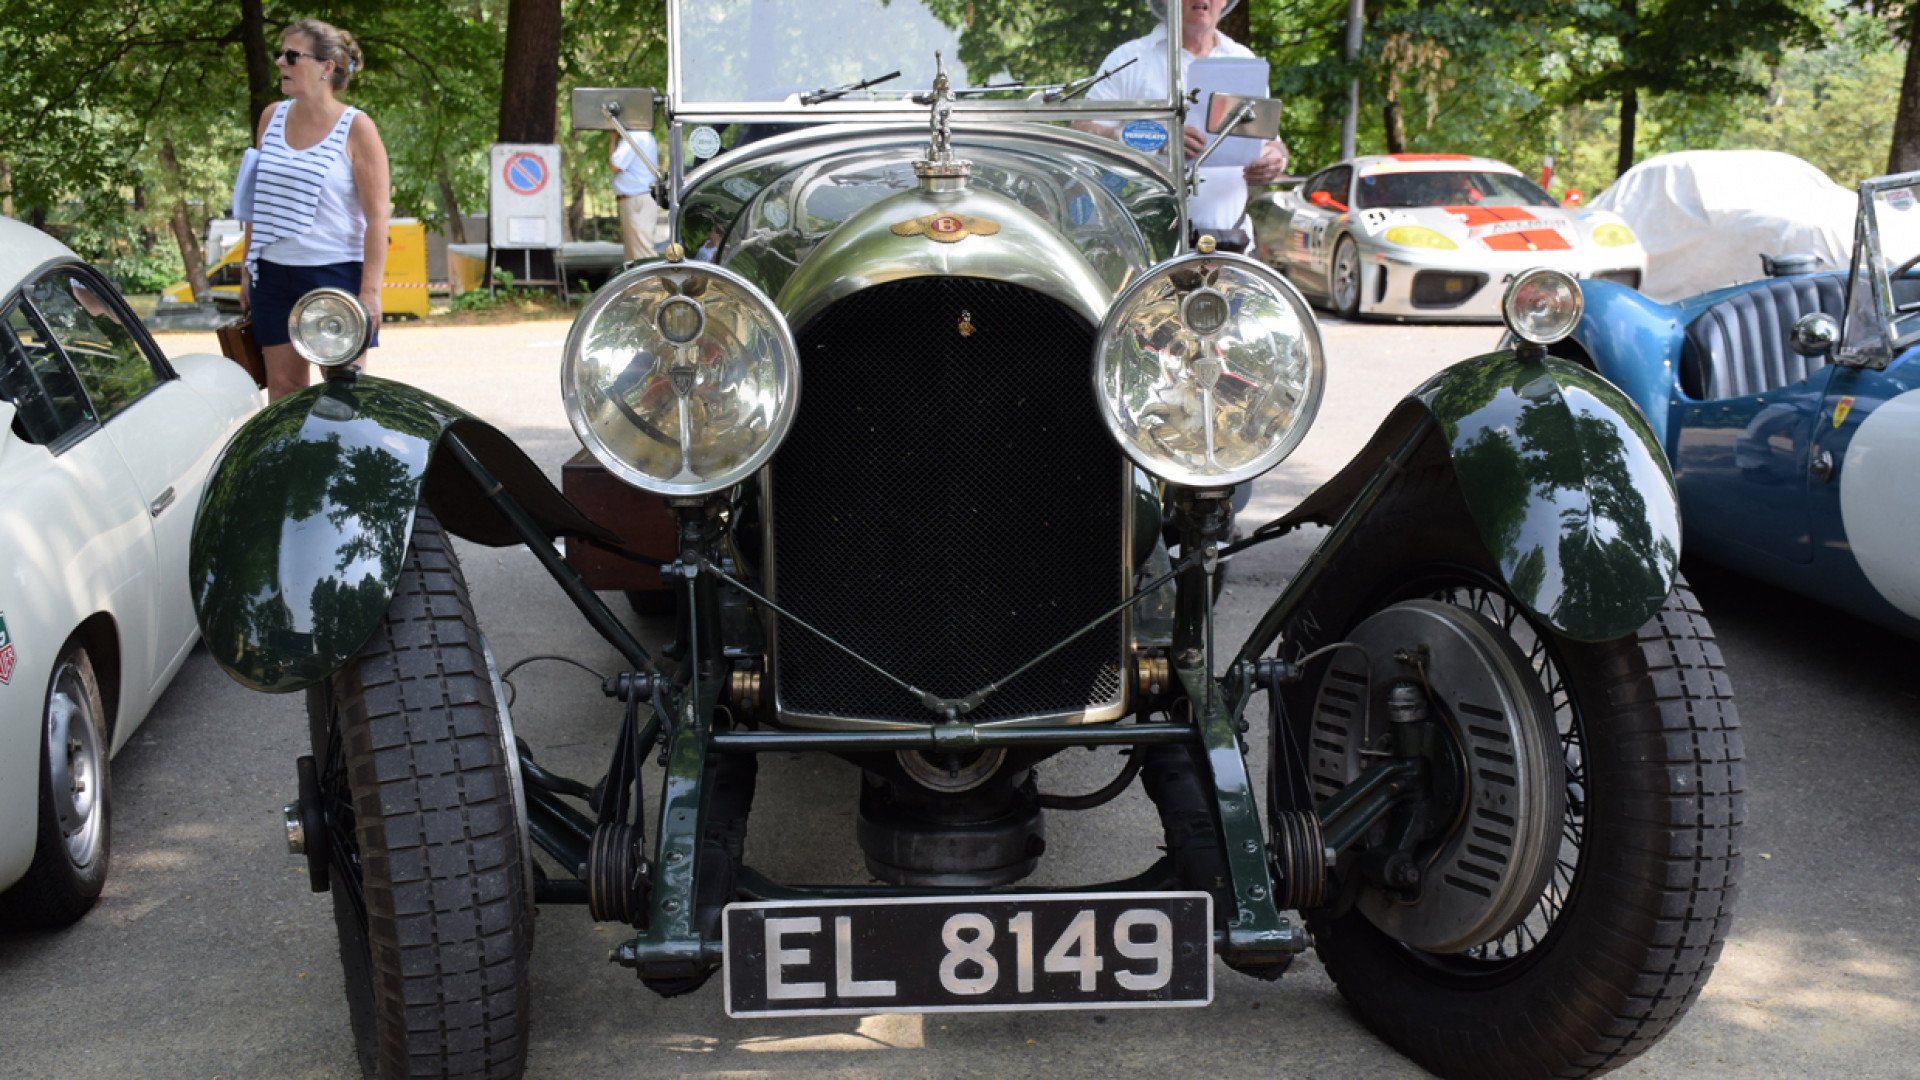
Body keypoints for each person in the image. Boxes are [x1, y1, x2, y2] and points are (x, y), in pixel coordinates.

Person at [238, 18, 390, 402]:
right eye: (279, 55)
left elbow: (377, 217)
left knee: (341, 393)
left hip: (334, 273)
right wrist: (247, 269)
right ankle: (294, 464)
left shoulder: (357, 127)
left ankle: (342, 463)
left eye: (291, 56)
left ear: (327, 68)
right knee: (284, 392)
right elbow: (257, 201)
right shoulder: (271, 117)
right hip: (271, 276)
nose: (280, 63)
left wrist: (370, 292)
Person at [1087, 0, 1289, 237]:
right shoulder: (1130, 60)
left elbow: (1271, 142)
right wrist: (1156, 139)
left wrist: (1277, 159)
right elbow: (1083, 130)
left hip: (1229, 241)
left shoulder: (1242, 60)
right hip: (1148, 243)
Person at [609, 129, 661, 262]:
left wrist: (613, 137)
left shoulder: (634, 136)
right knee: (634, 254)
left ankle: (653, 282)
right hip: (639, 197)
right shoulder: (644, 135)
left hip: (636, 199)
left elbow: (615, 165)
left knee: (641, 253)